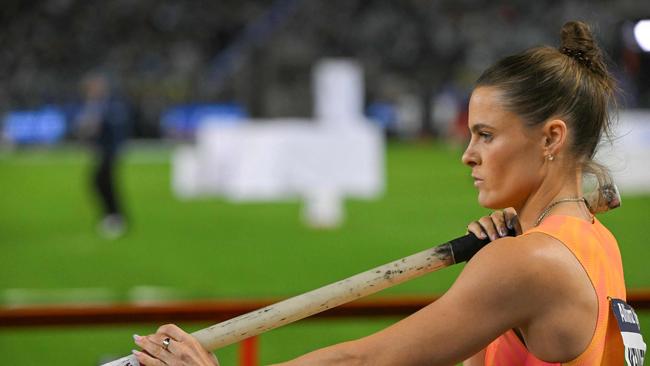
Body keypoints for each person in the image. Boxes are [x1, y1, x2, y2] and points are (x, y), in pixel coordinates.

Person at [132, 21, 630, 365]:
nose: (468, 154)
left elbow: (367, 359)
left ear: (551, 137)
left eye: (486, 135)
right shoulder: (594, 241)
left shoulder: (530, 260)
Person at [76, 72, 130, 239]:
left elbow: (115, 128)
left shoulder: (111, 105)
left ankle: (115, 217)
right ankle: (113, 216)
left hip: (110, 151)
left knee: (103, 183)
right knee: (102, 183)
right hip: (102, 151)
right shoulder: (95, 105)